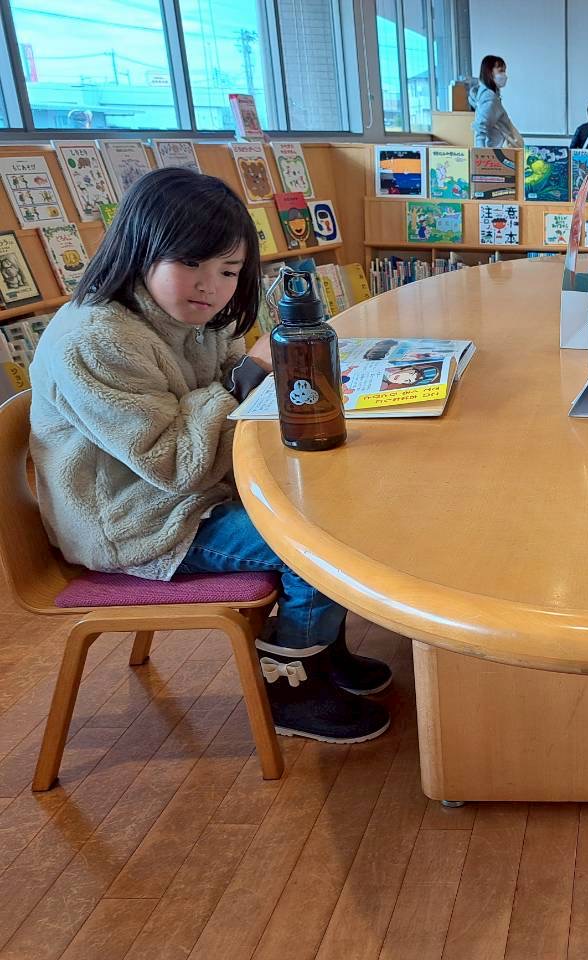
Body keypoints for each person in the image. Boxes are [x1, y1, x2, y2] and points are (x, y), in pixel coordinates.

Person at [27, 168, 392, 744]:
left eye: (228, 270)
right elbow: (174, 462)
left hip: (186, 499)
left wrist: (249, 378)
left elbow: (229, 394)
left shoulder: (187, 318)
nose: (210, 286)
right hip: (137, 523)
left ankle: (323, 650)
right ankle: (292, 687)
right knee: (315, 544)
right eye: (191, 262)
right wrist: (243, 378)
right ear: (140, 248)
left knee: (332, 509)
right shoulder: (95, 340)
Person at [472, 54, 523, 148]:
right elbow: (480, 128)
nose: (504, 75)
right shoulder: (489, 97)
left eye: (504, 71)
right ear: (489, 72)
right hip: (498, 151)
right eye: (500, 71)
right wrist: (480, 153)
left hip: (497, 150)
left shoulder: (490, 95)